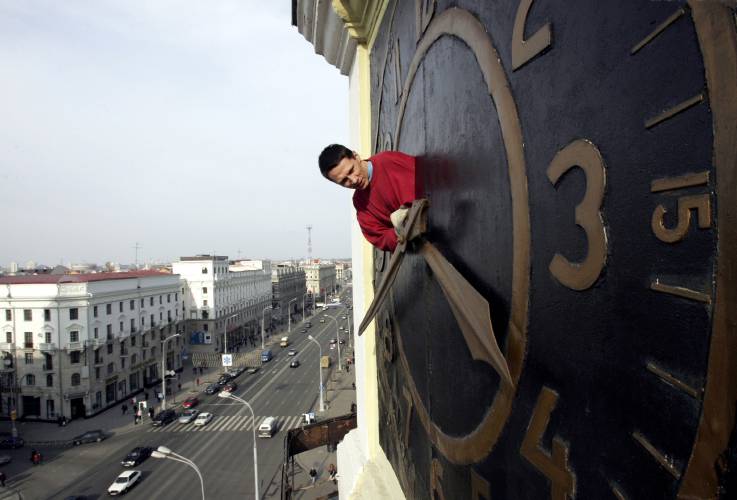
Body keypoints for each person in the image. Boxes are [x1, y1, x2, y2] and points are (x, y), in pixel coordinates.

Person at [318, 144, 420, 252]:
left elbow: (428, 180)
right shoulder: (360, 203)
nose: (354, 180)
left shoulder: (389, 161)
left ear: (356, 157)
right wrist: (399, 232)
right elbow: (380, 238)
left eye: (351, 170)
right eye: (344, 181)